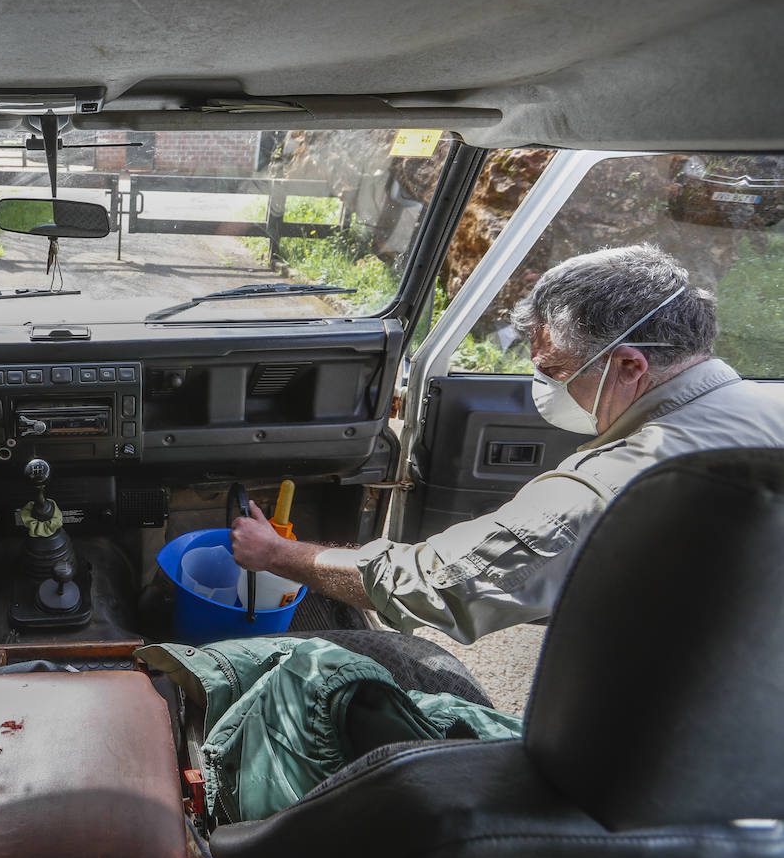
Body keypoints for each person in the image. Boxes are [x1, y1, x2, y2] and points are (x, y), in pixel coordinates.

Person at [232, 244, 784, 644]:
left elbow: (436, 584)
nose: (543, 386)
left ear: (630, 365)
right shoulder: (769, 407)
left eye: (555, 369)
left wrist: (277, 553)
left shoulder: (611, 485)